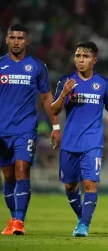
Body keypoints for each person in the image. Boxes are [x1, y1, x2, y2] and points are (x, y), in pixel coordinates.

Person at [51, 41, 108, 237]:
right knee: (70, 186)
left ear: (94, 60)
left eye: (85, 57)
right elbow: (53, 109)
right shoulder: (66, 81)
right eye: (78, 56)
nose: (80, 60)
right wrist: (64, 94)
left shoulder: (103, 83)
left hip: (92, 143)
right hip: (69, 143)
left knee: (90, 184)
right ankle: (82, 218)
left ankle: (84, 225)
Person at [0, 23, 61, 235]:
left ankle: (19, 221)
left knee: (22, 170)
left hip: (25, 128)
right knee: (8, 177)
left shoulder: (37, 66)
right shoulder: (0, 66)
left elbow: (47, 98)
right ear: (7, 39)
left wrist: (55, 126)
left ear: (28, 41)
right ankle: (13, 217)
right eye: (12, 37)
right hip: (2, 130)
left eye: (20, 38)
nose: (16, 41)